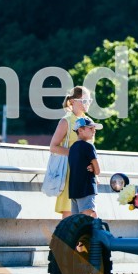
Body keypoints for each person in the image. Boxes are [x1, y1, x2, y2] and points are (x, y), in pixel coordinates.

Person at [48, 86, 91, 219]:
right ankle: (63, 240)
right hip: (69, 174)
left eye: (89, 100)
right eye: (84, 100)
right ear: (72, 101)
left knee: (86, 216)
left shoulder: (89, 122)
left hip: (86, 175)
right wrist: (75, 154)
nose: (87, 103)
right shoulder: (66, 121)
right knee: (69, 217)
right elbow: (53, 147)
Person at [68, 117, 102, 217]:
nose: (94, 131)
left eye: (94, 129)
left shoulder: (72, 147)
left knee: (77, 224)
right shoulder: (89, 146)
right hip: (87, 189)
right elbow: (97, 171)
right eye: (90, 128)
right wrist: (93, 167)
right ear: (80, 130)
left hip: (74, 190)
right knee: (90, 221)